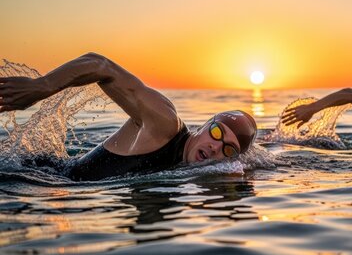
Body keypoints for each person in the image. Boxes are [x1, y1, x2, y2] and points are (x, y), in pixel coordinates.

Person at [0, 52, 257, 180]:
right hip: (40, 177)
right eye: (216, 133)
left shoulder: (192, 165)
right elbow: (99, 65)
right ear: (205, 124)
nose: (214, 148)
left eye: (228, 150)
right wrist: (40, 87)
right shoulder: (164, 123)